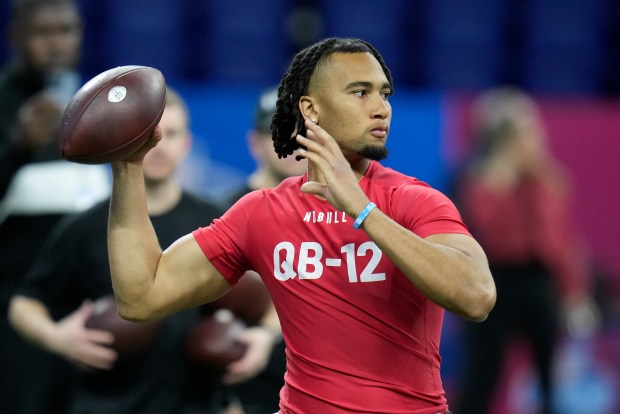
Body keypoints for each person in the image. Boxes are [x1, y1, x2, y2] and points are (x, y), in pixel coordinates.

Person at [106, 37, 496, 413]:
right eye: (361, 92)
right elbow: (143, 296)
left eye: (384, 93)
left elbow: (477, 297)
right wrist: (128, 167)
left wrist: (362, 210)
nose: (381, 108)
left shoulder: (414, 201)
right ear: (310, 109)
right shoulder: (262, 212)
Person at [7, 88, 230, 414]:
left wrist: (260, 338)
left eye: (171, 134)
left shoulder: (217, 220)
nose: (159, 146)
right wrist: (57, 336)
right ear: (124, 140)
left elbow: (263, 293)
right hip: (104, 404)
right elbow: (25, 303)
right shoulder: (85, 225)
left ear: (187, 144)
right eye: (147, 134)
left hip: (193, 405)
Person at [452, 87, 598, 414]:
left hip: (539, 283)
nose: (529, 144)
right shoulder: (477, 179)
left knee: (548, 377)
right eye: (519, 137)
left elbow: (562, 243)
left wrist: (575, 294)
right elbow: (487, 230)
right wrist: (500, 172)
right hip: (493, 281)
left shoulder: (550, 181)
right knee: (482, 375)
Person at [0, 1, 109, 412]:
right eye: (43, 33)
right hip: (15, 314)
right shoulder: (4, 107)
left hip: (85, 312)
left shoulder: (92, 103)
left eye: (66, 31)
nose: (57, 44)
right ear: (15, 39)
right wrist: (17, 149)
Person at [221, 86, 307, 414]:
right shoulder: (225, 213)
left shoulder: (336, 212)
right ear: (254, 143)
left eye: (301, 131)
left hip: (317, 385)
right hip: (245, 384)